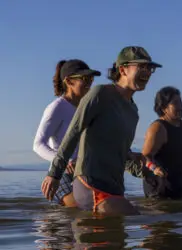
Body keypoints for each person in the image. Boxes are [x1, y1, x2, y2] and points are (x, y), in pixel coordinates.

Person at [41, 46, 161, 215]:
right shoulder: (99, 94)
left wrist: (147, 173)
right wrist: (54, 174)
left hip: (115, 188)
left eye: (150, 68)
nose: (147, 72)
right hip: (91, 185)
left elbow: (121, 152)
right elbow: (73, 133)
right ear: (123, 69)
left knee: (129, 231)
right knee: (144, 219)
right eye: (141, 67)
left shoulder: (133, 111)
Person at [33, 59, 101, 207]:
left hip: (84, 172)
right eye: (85, 79)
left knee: (100, 209)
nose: (90, 83)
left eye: (91, 79)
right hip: (62, 173)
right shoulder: (56, 107)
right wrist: (65, 161)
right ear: (69, 81)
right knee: (84, 209)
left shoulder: (87, 108)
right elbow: (38, 144)